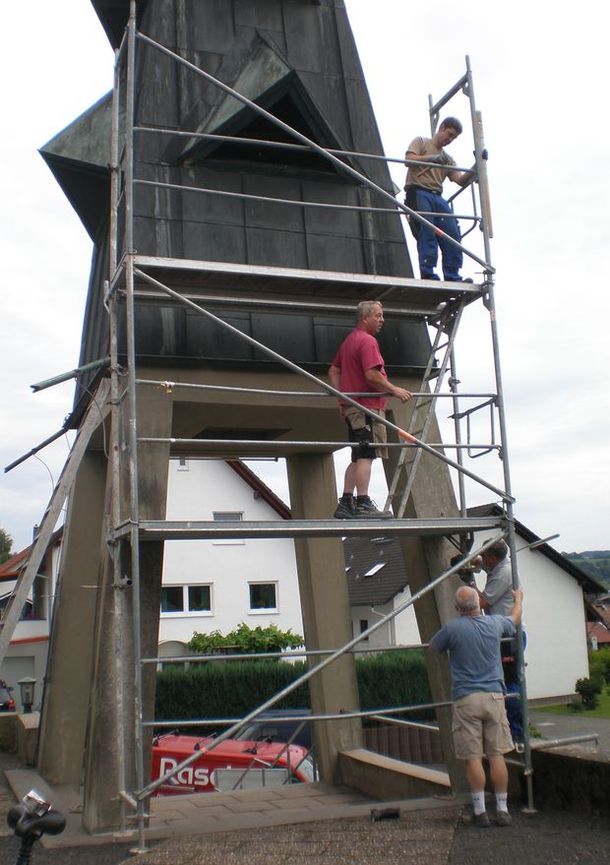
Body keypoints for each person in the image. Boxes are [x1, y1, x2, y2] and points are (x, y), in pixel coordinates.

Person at [430, 585, 524, 828]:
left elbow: (434, 646)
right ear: (479, 604)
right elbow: (514, 620)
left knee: (473, 757)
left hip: (466, 698)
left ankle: (480, 811)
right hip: (494, 695)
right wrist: (519, 599)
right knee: (496, 755)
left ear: (457, 608)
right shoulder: (494, 623)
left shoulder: (452, 628)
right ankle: (502, 809)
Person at [328, 300, 412, 519]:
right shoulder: (367, 341)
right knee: (367, 454)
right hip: (367, 407)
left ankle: (346, 502)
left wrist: (342, 399)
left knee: (357, 455)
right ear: (365, 318)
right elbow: (372, 375)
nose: (382, 319)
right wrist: (395, 390)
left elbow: (333, 370)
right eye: (378, 315)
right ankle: (363, 502)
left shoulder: (350, 341)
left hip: (354, 407)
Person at [404, 117, 475, 282]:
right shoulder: (421, 142)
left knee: (452, 234)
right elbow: (408, 160)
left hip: (437, 196)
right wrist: (432, 159)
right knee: (427, 230)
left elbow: (460, 180)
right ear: (442, 128)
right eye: (449, 134)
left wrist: (476, 167)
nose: (450, 140)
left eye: (453, 138)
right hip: (418, 191)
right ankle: (428, 272)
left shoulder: (447, 158)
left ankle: (452, 275)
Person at [479, 539, 525, 743]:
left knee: (510, 684)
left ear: (492, 557)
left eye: (484, 556)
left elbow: (481, 602)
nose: (482, 559)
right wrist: (472, 565)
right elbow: (485, 565)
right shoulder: (499, 567)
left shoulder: (504, 573)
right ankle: (510, 731)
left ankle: (517, 734)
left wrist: (469, 582)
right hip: (503, 633)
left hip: (509, 636)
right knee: (503, 682)